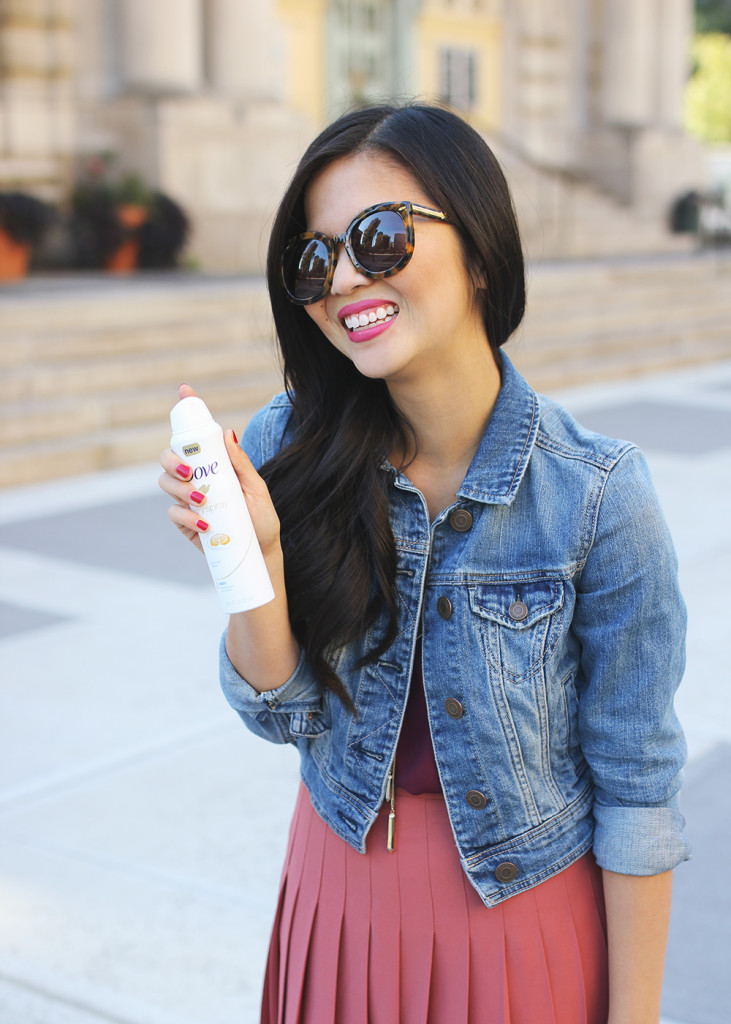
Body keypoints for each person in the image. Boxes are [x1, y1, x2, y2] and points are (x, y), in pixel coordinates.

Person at [159, 103, 690, 1024]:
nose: (343, 280)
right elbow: (283, 713)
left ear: (479, 250)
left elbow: (637, 789)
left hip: (521, 925)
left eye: (379, 238)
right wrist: (253, 558)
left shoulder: (597, 495)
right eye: (314, 258)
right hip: (334, 897)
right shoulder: (290, 445)